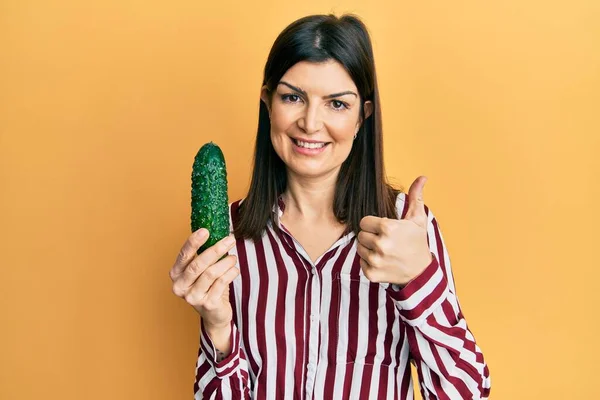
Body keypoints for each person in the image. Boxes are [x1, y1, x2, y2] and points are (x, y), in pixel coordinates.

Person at [170, 13, 491, 400]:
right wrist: (218, 328)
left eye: (337, 104)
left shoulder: (405, 230)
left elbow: (467, 393)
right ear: (267, 102)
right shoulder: (229, 237)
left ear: (362, 116)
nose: (310, 122)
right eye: (293, 97)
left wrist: (419, 278)